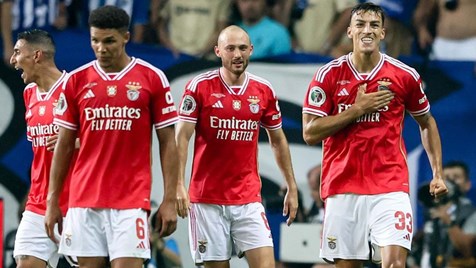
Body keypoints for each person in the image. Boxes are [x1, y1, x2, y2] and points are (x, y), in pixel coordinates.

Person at [302, 2, 448, 267]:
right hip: (342, 187)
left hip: (389, 186)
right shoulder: (328, 75)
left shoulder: (404, 76)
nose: (366, 30)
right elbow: (310, 132)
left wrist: (437, 173)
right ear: (349, 31)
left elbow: (426, 122)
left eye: (374, 25)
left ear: (383, 33)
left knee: (394, 264)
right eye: (360, 24)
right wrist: (357, 110)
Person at [44, 5, 180, 268]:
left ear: (126, 37)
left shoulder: (152, 78)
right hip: (84, 200)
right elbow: (63, 145)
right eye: (95, 40)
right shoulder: (76, 81)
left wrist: (170, 199)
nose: (101, 48)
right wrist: (53, 201)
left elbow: (168, 143)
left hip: (130, 201)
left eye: (109, 41)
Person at [175, 25, 299, 268]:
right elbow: (181, 137)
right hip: (207, 200)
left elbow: (278, 139)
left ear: (251, 50)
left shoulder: (263, 90)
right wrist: (178, 184)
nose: (237, 54)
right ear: (218, 51)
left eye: (242, 48)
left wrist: (291, 186)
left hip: (248, 199)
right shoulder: (199, 87)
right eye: (230, 48)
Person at [10, 29, 75, 268]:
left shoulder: (75, 88)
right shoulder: (29, 94)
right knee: (25, 262)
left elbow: (108, 139)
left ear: (36, 55)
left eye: (17, 53)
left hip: (78, 204)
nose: (12, 60)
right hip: (39, 204)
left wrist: (73, 141)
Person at [415, 161, 476, 268]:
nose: (450, 181)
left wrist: (448, 221)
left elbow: (468, 250)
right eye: (446, 177)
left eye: (456, 177)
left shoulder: (471, 213)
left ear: (467, 185)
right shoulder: (432, 210)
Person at [1, 0, 68, 65]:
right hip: (20, 33)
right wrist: (8, 46)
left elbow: (61, 4)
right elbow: (6, 9)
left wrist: (62, 15)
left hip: (49, 32)